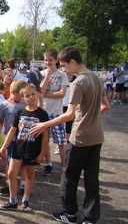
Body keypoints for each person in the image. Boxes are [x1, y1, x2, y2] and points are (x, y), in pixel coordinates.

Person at [29, 46, 110, 224]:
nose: (64, 69)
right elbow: (106, 106)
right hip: (97, 136)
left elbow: (69, 115)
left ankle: (70, 214)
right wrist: (92, 117)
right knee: (91, 179)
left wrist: (44, 124)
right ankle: (90, 218)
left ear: (73, 62)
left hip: (80, 137)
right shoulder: (97, 78)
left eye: (64, 65)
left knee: (69, 176)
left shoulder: (78, 82)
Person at [0, 84, 49, 212]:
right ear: (23, 99)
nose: (31, 97)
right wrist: (4, 147)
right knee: (11, 174)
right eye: (27, 95)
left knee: (30, 174)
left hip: (32, 149)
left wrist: (42, 153)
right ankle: (12, 201)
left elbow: (45, 136)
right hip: (18, 147)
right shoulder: (20, 112)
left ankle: (25, 200)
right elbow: (12, 130)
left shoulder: (42, 114)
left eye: (33, 94)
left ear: (37, 94)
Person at [0, 79, 27, 196]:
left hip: (23, 139)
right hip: (10, 139)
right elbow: (0, 120)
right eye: (22, 94)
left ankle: (23, 185)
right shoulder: (4, 105)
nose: (24, 97)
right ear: (14, 92)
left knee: (23, 163)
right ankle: (9, 184)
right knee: (9, 162)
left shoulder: (24, 104)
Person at [40, 48, 69, 174]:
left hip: (57, 112)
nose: (47, 62)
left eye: (50, 60)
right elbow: (40, 91)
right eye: (45, 60)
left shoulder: (62, 75)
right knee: (45, 140)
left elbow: (62, 94)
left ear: (56, 60)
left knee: (61, 141)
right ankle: (48, 163)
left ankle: (64, 166)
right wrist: (47, 76)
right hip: (44, 111)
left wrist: (47, 93)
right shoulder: (41, 74)